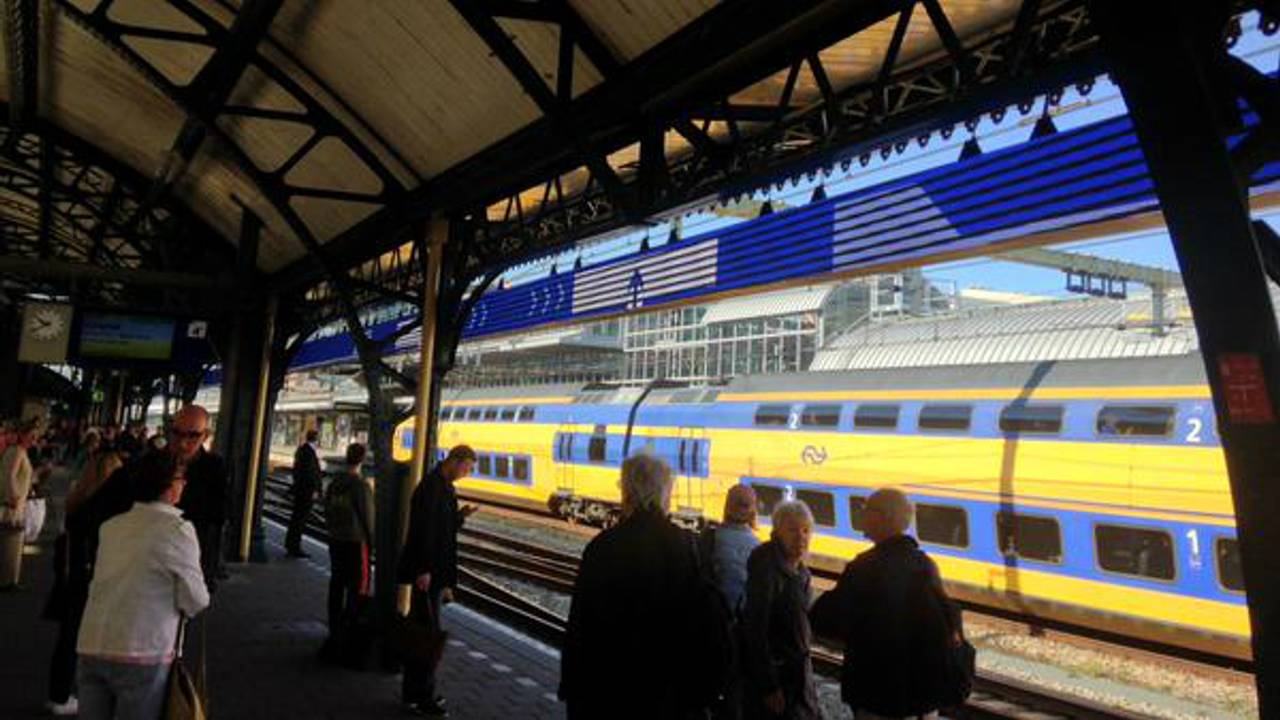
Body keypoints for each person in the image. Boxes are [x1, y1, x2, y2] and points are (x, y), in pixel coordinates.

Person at [560, 454, 718, 720]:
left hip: (610, 688)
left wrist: (572, 689)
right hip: (668, 690)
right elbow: (700, 621)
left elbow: (581, 626)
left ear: (627, 493)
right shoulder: (686, 546)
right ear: (665, 494)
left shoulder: (602, 546)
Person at [76, 450, 210, 720]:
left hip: (92, 643)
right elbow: (196, 600)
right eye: (181, 478)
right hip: (142, 650)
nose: (184, 484)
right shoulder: (177, 530)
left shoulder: (111, 526)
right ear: (170, 485)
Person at [809, 488, 965, 720]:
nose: (861, 516)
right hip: (923, 699)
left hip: (879, 697)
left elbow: (824, 620)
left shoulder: (865, 567)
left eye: (865, 510)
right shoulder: (926, 565)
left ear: (881, 517)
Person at [46, 446, 129, 714]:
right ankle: (68, 696)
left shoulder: (77, 500)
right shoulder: (109, 510)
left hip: (71, 580)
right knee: (86, 642)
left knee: (68, 639)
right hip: (92, 581)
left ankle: (58, 694)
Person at [398, 445, 478, 718]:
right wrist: (424, 570)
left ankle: (413, 692)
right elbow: (424, 532)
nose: (466, 474)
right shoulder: (432, 488)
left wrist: (460, 517)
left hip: (433, 574)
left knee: (422, 634)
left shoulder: (443, 487)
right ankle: (424, 697)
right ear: (453, 461)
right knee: (428, 638)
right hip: (427, 575)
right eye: (466, 468)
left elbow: (443, 528)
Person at [741, 501, 820, 720]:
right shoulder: (767, 570)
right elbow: (755, 629)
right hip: (779, 677)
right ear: (777, 532)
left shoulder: (800, 570)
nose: (801, 537)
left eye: (806, 530)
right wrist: (769, 685)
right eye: (793, 530)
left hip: (798, 677)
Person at [699, 485, 761, 720]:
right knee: (733, 694)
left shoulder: (708, 538)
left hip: (711, 630)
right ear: (753, 511)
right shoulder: (758, 548)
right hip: (741, 633)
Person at [321, 442, 374, 661]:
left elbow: (326, 508)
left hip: (336, 539)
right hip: (356, 542)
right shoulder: (360, 486)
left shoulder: (335, 483)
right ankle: (351, 631)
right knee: (358, 588)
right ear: (362, 459)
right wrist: (372, 541)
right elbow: (368, 518)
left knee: (337, 583)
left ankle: (335, 628)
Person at [171, 405, 229, 589]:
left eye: (193, 436)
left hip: (194, 562)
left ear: (206, 435)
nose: (182, 442)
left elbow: (221, 513)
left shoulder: (216, 468)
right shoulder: (151, 463)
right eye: (177, 433)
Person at [0, 419, 39, 590]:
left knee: (13, 543)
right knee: (10, 543)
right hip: (12, 504)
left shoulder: (19, 452)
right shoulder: (16, 452)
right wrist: (13, 496)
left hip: (17, 503)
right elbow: (8, 476)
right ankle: (7, 579)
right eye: (31, 436)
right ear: (22, 435)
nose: (34, 440)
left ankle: (9, 578)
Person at [286, 429, 323, 558]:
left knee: (296, 518)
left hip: (301, 490)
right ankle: (294, 547)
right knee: (300, 519)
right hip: (306, 492)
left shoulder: (302, 450)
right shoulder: (308, 452)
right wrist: (314, 490)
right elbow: (310, 473)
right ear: (316, 439)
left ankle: (291, 544)